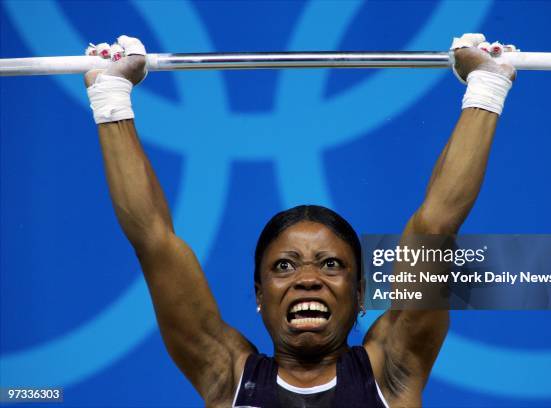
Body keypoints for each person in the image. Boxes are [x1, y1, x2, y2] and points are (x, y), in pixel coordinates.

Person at [84, 34, 515, 407]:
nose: (307, 279)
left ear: (361, 294)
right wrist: (110, 95)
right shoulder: (228, 378)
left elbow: (436, 226)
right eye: (284, 266)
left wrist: (487, 84)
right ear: (258, 294)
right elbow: (153, 240)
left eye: (331, 264)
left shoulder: (393, 370)